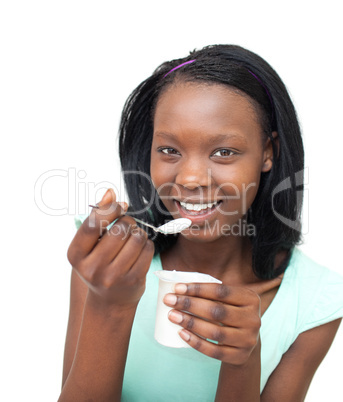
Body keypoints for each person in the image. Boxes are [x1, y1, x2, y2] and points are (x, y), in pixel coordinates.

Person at [59, 45, 343, 401]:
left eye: (224, 152)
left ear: (268, 152)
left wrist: (244, 359)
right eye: (169, 150)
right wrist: (109, 304)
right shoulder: (107, 263)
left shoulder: (314, 301)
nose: (191, 179)